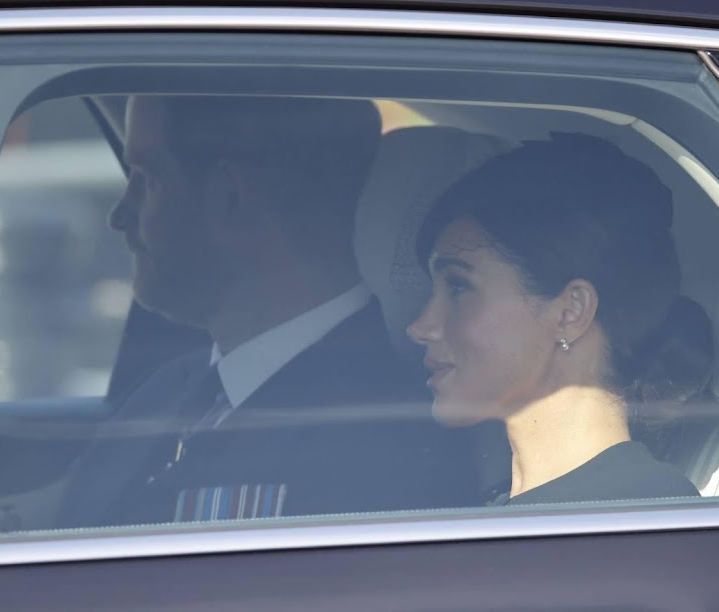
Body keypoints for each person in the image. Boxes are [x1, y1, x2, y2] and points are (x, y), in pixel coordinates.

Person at [54, 94, 474, 529]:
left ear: (229, 195)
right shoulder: (170, 388)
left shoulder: (383, 448)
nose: (120, 215)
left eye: (148, 179)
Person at [407, 132, 711, 506]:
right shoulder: (573, 512)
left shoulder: (630, 518)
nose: (420, 327)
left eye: (458, 287)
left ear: (570, 312)